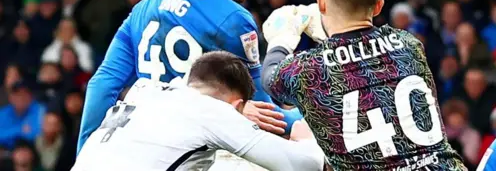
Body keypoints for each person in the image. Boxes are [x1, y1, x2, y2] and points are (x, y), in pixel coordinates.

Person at [77, 0, 302, 153]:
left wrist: (84, 155)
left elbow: (103, 85)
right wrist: (312, 118)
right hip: (196, 156)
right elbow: (264, 112)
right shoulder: (233, 19)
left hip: (145, 152)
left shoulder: (147, 5)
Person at [261, 0, 467, 170]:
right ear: (379, 6)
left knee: (302, 133)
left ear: (321, 3)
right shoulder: (410, 45)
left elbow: (271, 79)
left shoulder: (309, 69)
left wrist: (281, 39)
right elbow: (361, 60)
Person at [72, 52, 325, 171]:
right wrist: (306, 137)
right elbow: (304, 165)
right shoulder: (212, 111)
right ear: (237, 105)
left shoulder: (145, 90)